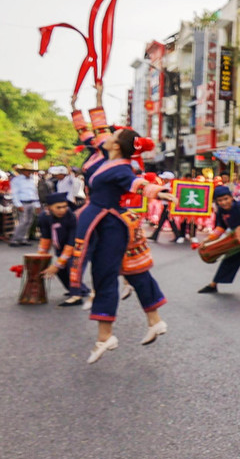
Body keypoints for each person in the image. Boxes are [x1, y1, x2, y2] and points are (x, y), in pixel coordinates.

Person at [72, 129, 169, 361]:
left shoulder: (122, 168)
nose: (106, 138)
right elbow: (96, 130)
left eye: (112, 136)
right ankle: (154, 321)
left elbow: (135, 182)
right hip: (105, 222)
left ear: (116, 146)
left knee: (105, 275)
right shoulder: (107, 161)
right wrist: (93, 99)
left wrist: (157, 191)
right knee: (134, 272)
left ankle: (105, 337)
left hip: (110, 225)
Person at [9, 166, 40, 244]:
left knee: (29, 222)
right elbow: (15, 193)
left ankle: (22, 238)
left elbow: (34, 193)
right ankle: (15, 239)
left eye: (30, 171)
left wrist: (37, 205)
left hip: (31, 202)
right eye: (27, 170)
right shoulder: (17, 180)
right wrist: (18, 204)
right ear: (23, 171)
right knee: (23, 221)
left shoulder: (31, 180)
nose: (29, 172)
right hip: (23, 202)